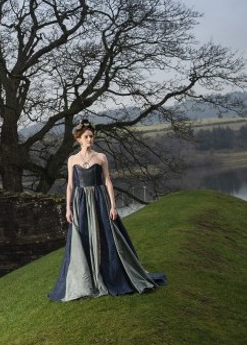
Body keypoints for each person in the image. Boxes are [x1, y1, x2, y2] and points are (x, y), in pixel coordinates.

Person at [49, 119, 166, 301]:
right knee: (83, 237)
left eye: (91, 136)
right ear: (79, 139)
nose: (90, 139)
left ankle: (111, 274)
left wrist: (113, 206)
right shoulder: (72, 160)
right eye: (86, 137)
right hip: (80, 203)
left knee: (106, 236)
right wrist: (68, 208)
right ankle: (87, 279)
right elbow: (70, 185)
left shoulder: (101, 157)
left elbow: (108, 182)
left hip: (99, 200)